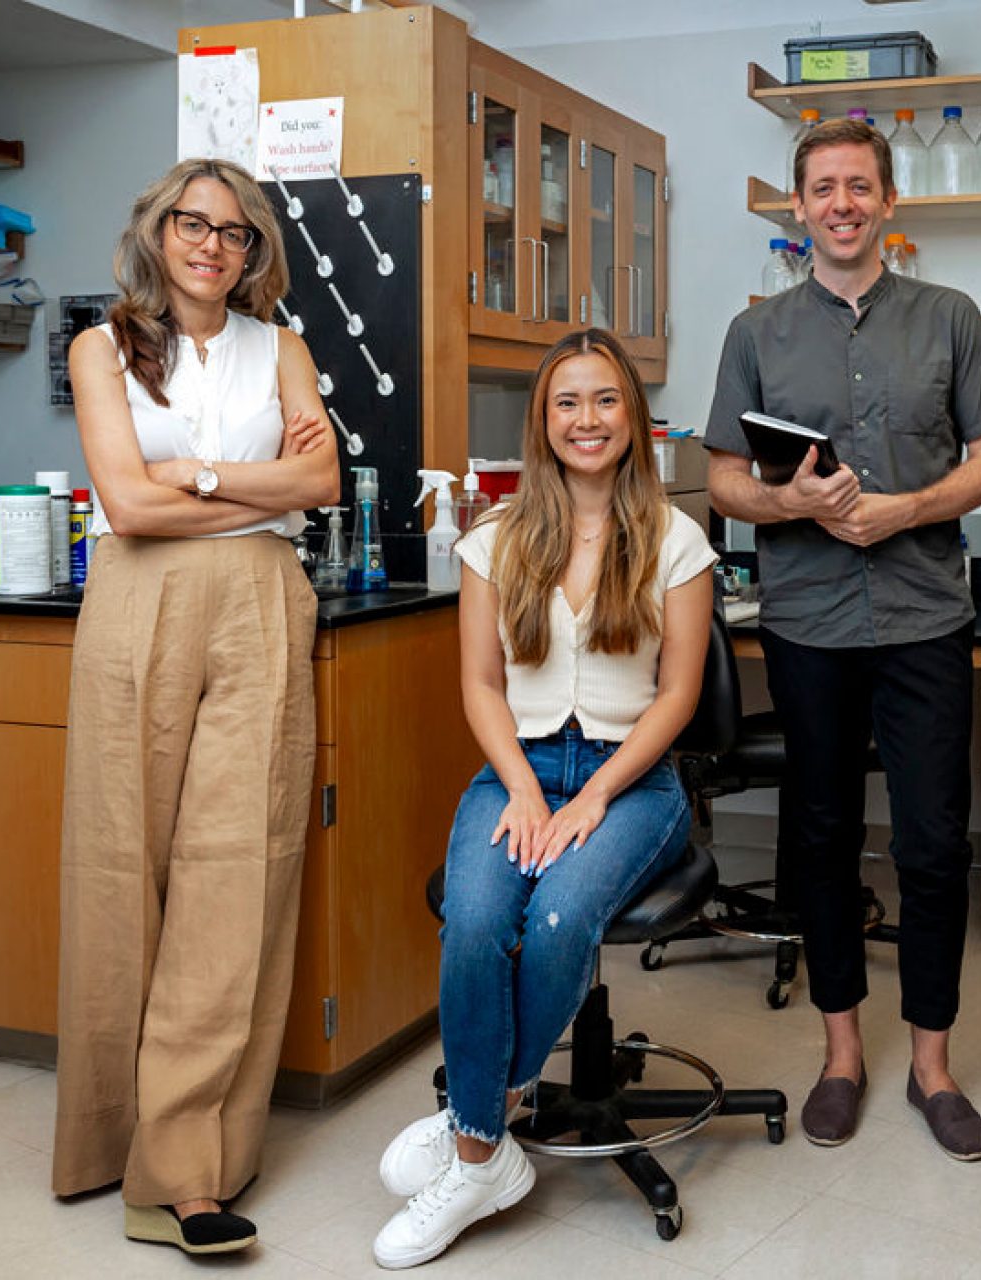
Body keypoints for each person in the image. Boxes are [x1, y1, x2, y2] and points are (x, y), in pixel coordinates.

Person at [704, 118, 981, 1159]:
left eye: (859, 186)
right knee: (824, 837)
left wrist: (906, 509)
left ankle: (932, 1066)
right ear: (798, 207)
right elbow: (720, 480)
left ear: (889, 202)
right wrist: (792, 503)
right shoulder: (757, 335)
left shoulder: (950, 318)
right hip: (809, 623)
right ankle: (841, 1053)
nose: (841, 202)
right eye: (823, 188)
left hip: (927, 612)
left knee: (933, 843)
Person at [370, 328, 715, 1269]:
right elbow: (482, 685)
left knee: (560, 915)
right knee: (478, 919)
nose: (587, 419)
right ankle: (488, 1143)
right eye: (568, 402)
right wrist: (523, 789)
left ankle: (477, 1137)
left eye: (606, 399)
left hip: (632, 780)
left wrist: (594, 797)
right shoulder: (494, 538)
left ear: (633, 418)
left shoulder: (676, 539)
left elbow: (678, 695)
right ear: (543, 421)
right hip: (517, 769)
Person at [51, 157, 341, 1254]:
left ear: (255, 251)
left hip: (264, 601)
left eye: (235, 232)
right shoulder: (101, 347)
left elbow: (322, 486)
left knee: (236, 872)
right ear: (158, 232)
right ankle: (103, 1139)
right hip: (135, 607)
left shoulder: (285, 348)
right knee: (121, 869)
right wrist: (241, 475)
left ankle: (185, 1171)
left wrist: (202, 479)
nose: (213, 244)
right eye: (193, 224)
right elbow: (121, 502)